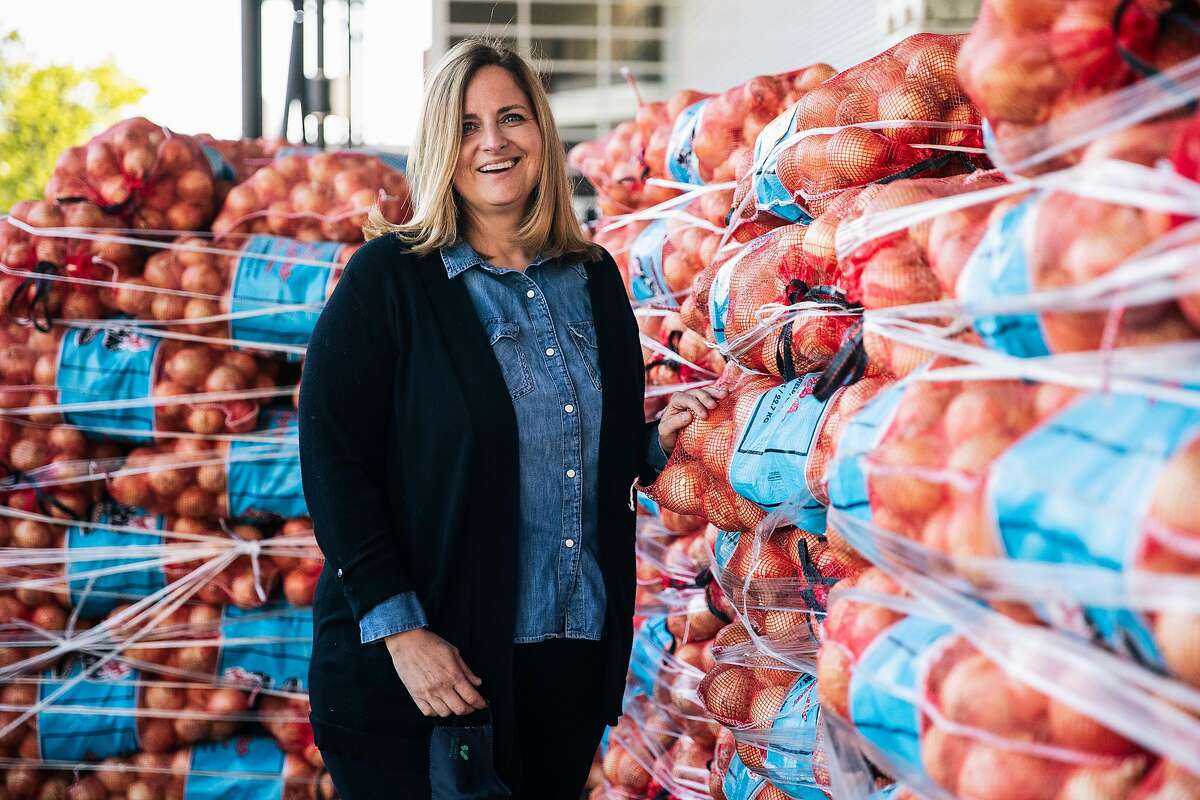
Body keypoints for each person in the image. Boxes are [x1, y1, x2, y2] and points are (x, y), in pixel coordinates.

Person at [299, 36, 724, 799]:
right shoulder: (391, 281)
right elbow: (334, 461)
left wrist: (650, 446)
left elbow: (567, 455)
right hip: (428, 680)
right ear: (440, 146)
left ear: (542, 134)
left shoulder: (592, 279)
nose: (492, 142)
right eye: (466, 126)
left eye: (512, 118)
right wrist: (402, 634)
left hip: (563, 665)